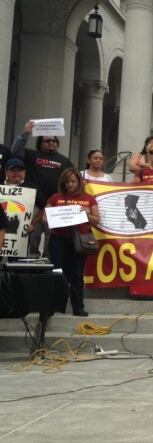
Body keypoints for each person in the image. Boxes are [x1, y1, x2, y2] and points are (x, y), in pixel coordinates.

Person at [11, 121, 75, 257]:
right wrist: (26, 132)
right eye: (47, 141)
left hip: (55, 205)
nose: (51, 143)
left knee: (52, 236)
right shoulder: (32, 155)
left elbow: (74, 179)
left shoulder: (64, 161)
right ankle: (32, 261)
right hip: (32, 203)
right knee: (32, 235)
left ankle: (49, 262)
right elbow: (15, 151)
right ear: (40, 143)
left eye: (54, 141)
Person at [43, 168, 100, 317]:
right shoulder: (56, 197)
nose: (70, 185)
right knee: (57, 272)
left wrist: (87, 213)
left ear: (79, 182)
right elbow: (44, 218)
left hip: (79, 240)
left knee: (76, 274)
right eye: (67, 182)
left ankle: (78, 307)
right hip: (58, 239)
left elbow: (97, 220)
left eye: (73, 181)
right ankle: (52, 306)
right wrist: (58, 215)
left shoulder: (89, 199)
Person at [4, 158, 47, 238]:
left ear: (25, 172)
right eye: (13, 170)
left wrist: (33, 224)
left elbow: (44, 207)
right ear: (6, 172)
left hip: (25, 233)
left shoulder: (33, 188)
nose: (16, 173)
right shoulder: (1, 187)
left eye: (20, 170)